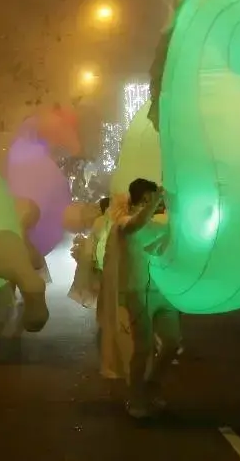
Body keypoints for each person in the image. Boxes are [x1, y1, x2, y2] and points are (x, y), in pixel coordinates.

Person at [106, 179, 181, 419]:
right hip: (137, 293)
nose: (155, 205)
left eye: (156, 200)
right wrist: (157, 200)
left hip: (164, 293)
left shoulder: (160, 223)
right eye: (149, 199)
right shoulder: (124, 223)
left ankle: (153, 384)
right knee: (144, 347)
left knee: (172, 343)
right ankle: (135, 396)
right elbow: (135, 225)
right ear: (140, 200)